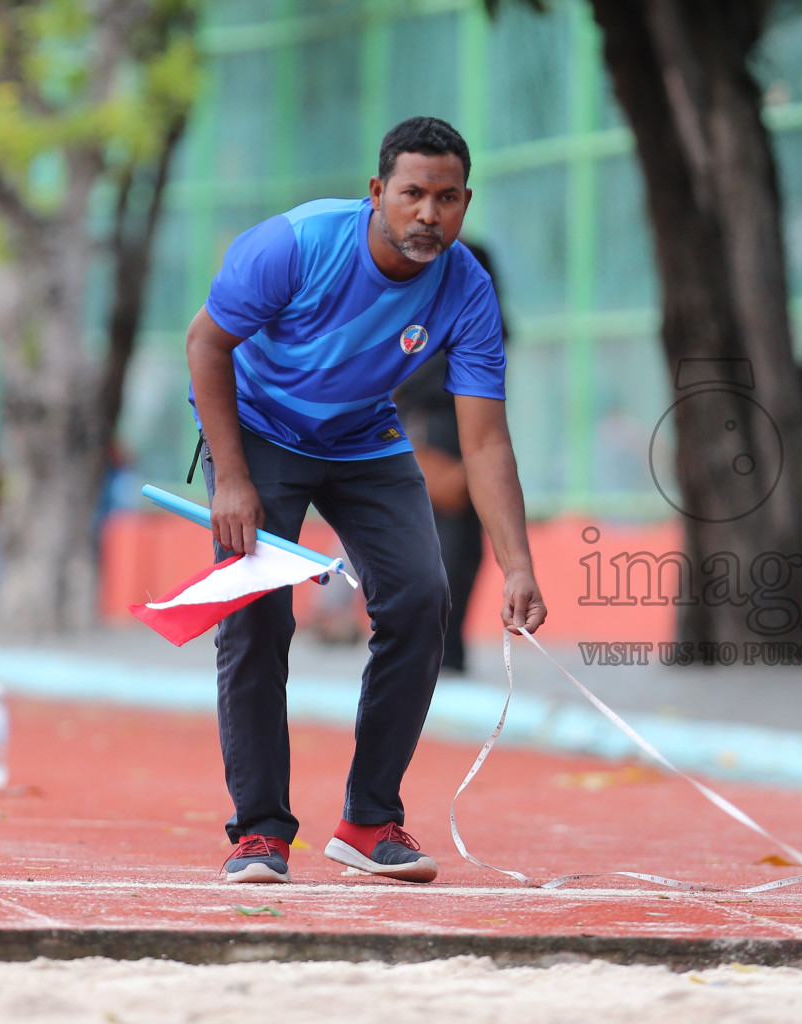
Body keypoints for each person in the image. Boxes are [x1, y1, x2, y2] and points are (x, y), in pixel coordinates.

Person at [186, 116, 546, 885]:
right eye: (413, 194)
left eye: (447, 198)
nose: (429, 214)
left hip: (362, 441)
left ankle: (369, 820)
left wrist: (519, 565)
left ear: (465, 202)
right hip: (258, 433)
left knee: (422, 600)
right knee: (255, 617)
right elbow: (206, 343)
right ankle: (259, 833)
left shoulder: (468, 290)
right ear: (378, 192)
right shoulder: (295, 244)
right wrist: (234, 477)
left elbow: (483, 441)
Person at [395, 241, 508, 677]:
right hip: (427, 437)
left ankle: (442, 653)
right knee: (431, 550)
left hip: (455, 439)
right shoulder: (421, 319)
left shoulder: (478, 323)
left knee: (457, 551)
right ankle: (428, 655)